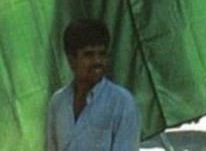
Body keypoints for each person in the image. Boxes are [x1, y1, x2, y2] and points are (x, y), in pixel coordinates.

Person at [46, 19, 140, 151]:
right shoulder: (58, 102)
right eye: (88, 55)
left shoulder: (122, 102)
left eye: (102, 54)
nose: (97, 61)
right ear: (71, 59)